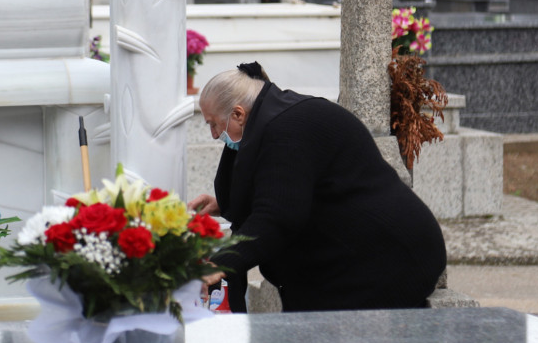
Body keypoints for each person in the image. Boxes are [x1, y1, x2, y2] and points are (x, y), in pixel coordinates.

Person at [190, 62, 447, 313]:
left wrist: (219, 263)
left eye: (213, 123)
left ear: (238, 114)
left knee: (319, 339)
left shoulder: (286, 129)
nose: (214, 134)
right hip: (357, 255)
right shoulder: (275, 118)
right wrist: (225, 204)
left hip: (391, 257)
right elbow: (290, 189)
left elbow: (277, 217)